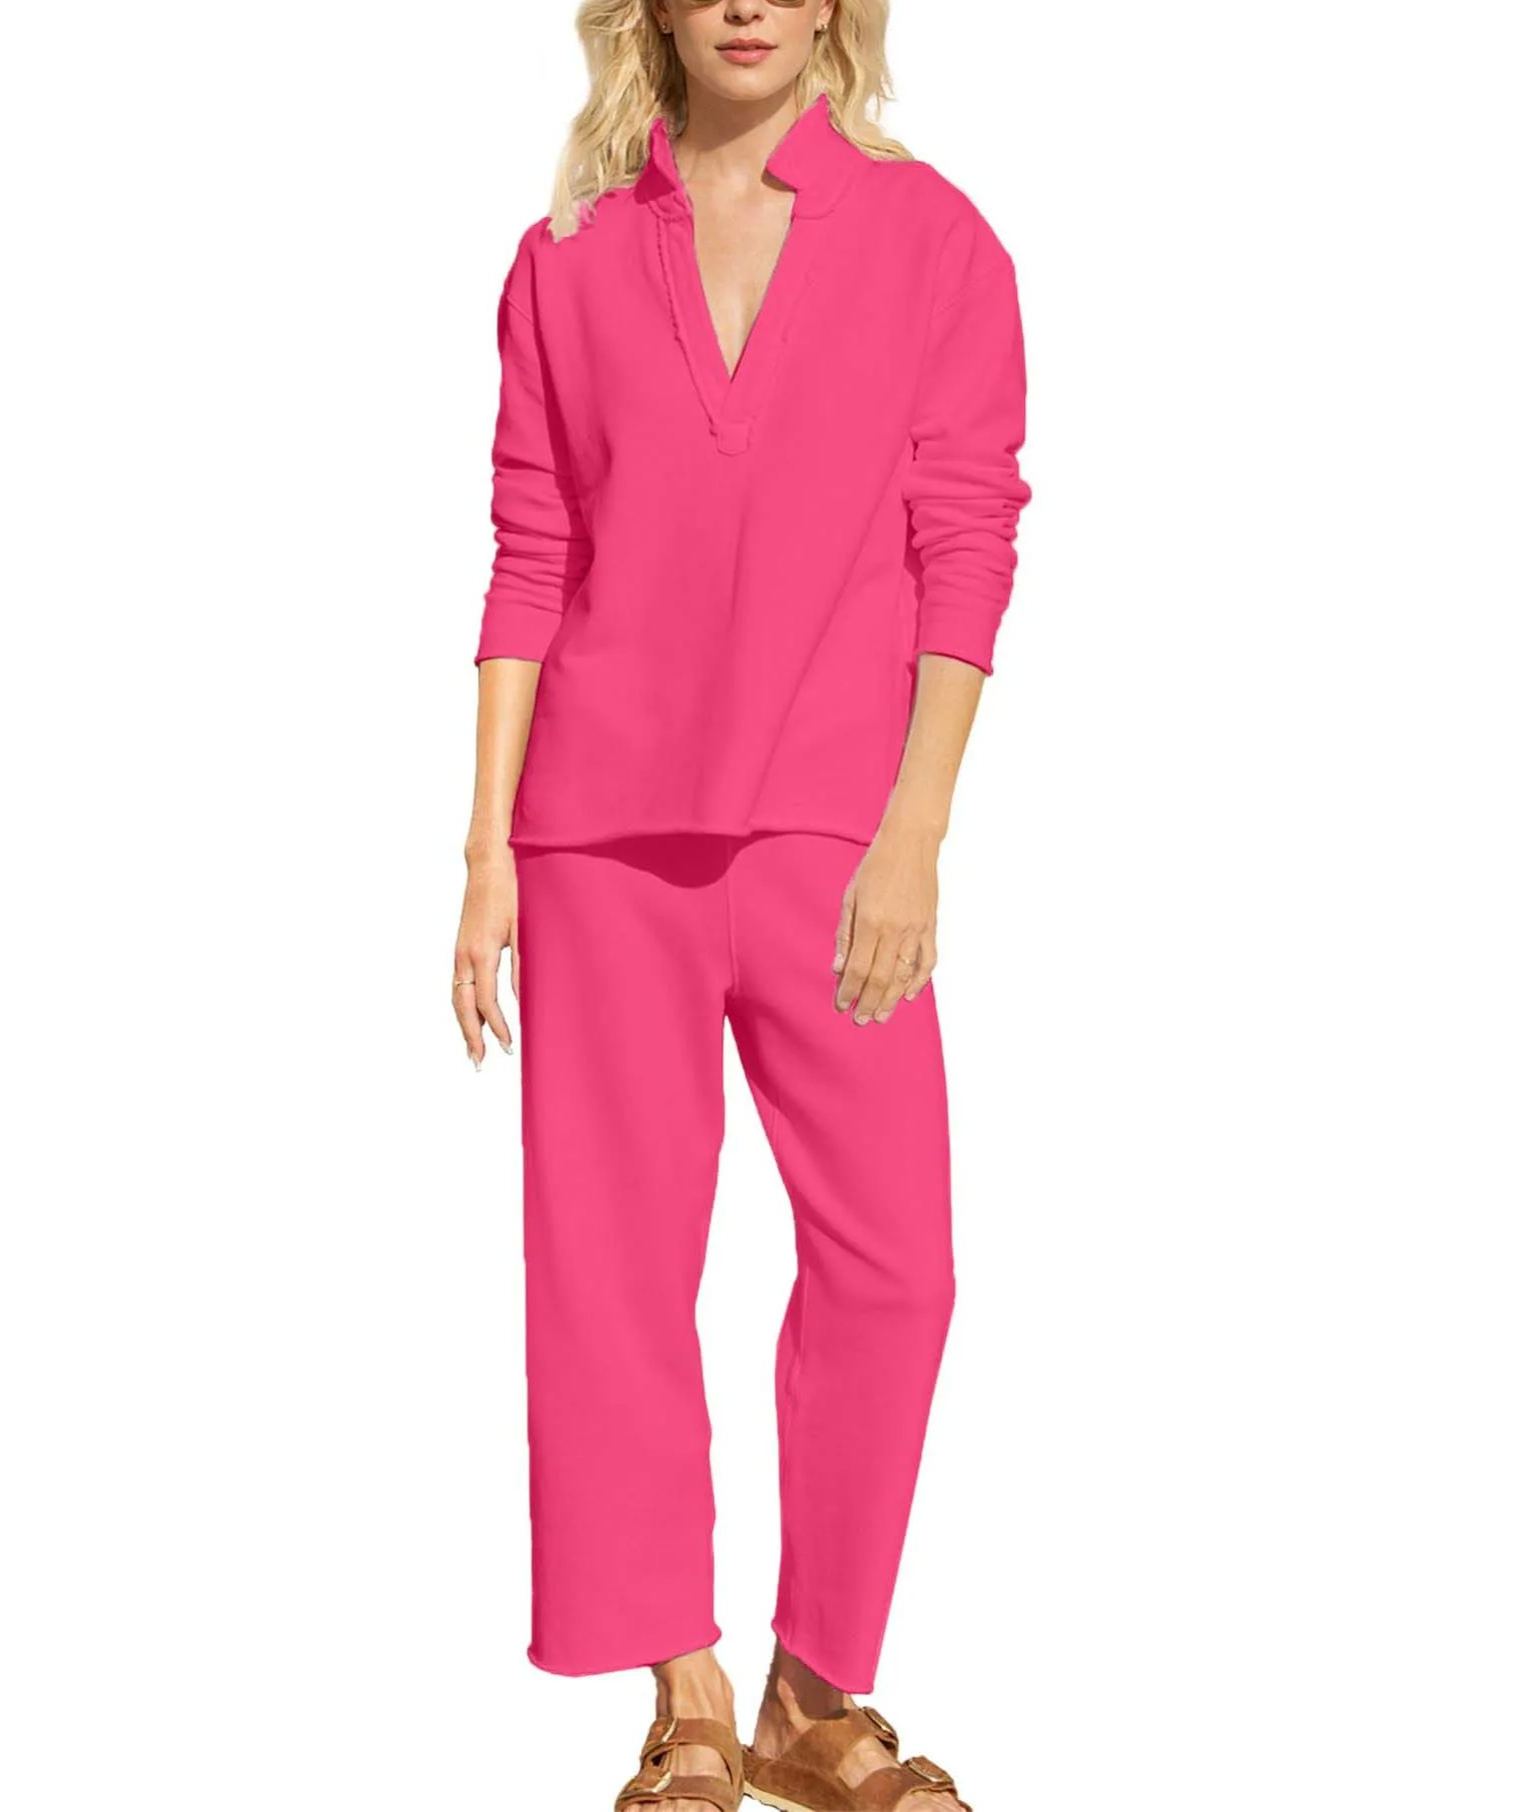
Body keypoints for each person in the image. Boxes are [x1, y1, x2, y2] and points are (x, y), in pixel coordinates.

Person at [452, 3, 1029, 1807]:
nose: (749, 3)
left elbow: (968, 539)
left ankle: (814, 1694)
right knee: (612, 1272)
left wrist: (915, 831)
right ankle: (685, 1699)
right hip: (596, 841)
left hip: (833, 843)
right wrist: (484, 851)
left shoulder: (935, 242)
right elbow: (532, 547)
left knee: (896, 1264)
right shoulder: (563, 260)